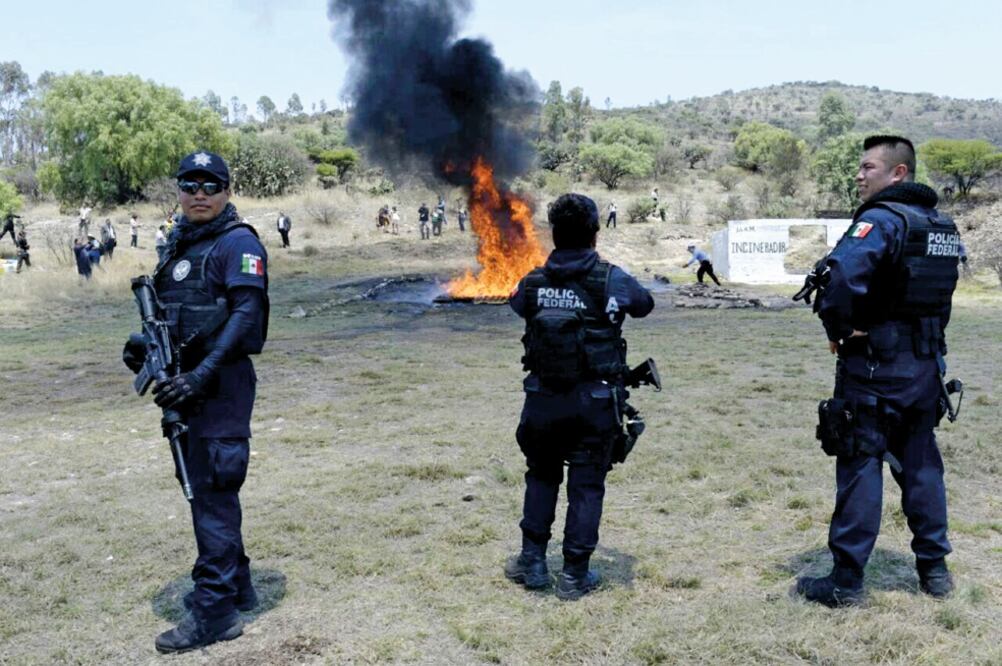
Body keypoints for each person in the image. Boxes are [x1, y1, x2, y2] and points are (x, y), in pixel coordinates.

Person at [796, 136, 960, 607]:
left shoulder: (880, 220)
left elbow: (841, 278)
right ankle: (934, 572)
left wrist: (841, 328)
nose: (859, 175)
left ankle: (846, 581)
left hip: (875, 368)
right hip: (925, 365)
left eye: (869, 167)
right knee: (922, 466)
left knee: (860, 463)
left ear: (898, 174)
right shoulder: (940, 225)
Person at [122, 150, 269, 653]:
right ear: (179, 191)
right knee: (208, 491)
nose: (199, 194)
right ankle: (238, 586)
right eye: (190, 185)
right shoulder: (182, 244)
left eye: (210, 185)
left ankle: (215, 613)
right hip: (183, 387)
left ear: (227, 191)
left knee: (212, 493)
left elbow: (246, 317)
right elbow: (179, 316)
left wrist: (201, 374)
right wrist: (143, 348)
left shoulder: (238, 243)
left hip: (219, 388)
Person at [506, 193, 654, 601]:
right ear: (595, 232)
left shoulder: (533, 281)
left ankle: (532, 562)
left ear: (554, 234)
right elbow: (644, 304)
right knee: (586, 486)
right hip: (593, 403)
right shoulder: (611, 278)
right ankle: (574, 576)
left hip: (542, 403)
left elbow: (517, 303)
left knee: (541, 476)